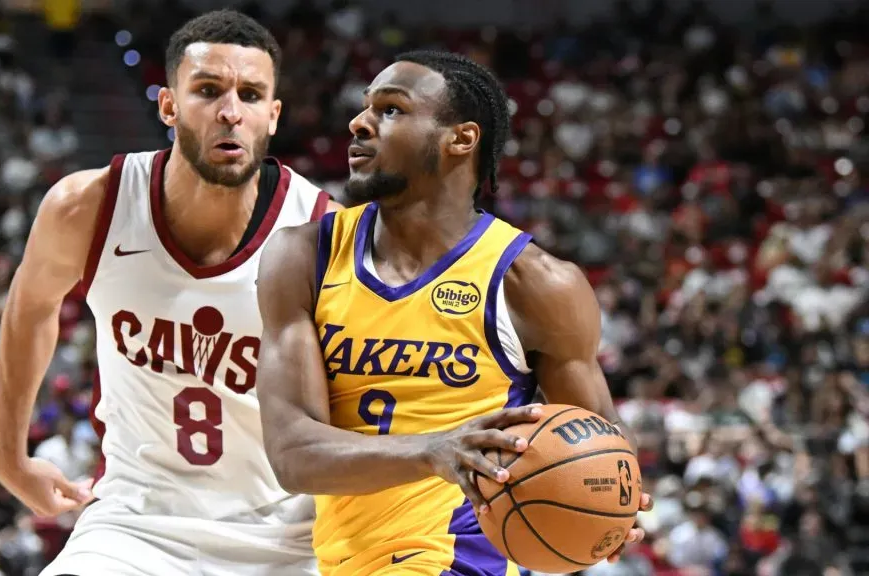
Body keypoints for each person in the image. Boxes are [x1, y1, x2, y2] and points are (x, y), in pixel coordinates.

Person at [255, 50, 654, 575]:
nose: (359, 122)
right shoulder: (303, 257)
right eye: (364, 107)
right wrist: (432, 451)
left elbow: (599, 448)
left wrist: (606, 508)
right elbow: (292, 455)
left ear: (461, 139)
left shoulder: (535, 283)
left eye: (392, 109)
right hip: (343, 561)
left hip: (461, 560)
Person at [0, 10, 338, 576]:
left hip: (291, 535)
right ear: (168, 106)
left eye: (251, 96)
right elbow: (30, 309)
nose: (231, 112)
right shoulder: (88, 206)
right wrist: (8, 455)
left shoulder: (324, 233)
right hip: (134, 524)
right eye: (208, 90)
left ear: (273, 117)